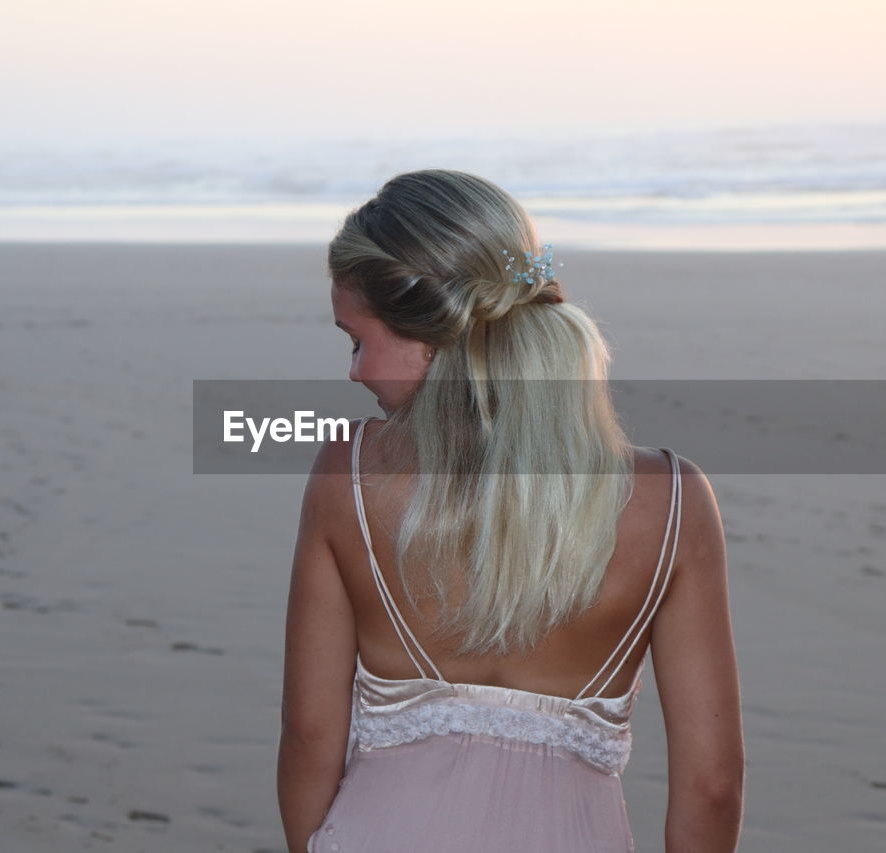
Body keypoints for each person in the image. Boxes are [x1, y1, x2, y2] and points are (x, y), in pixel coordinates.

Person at [278, 170, 743, 852]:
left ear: (430, 336)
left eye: (357, 339)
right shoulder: (669, 500)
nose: (353, 371)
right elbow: (712, 785)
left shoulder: (349, 474)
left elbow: (310, 736)